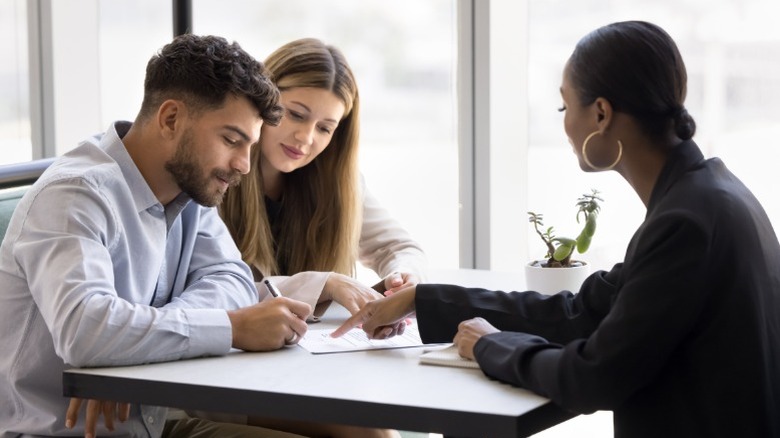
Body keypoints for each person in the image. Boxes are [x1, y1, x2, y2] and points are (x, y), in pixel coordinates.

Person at [334, 21, 780, 438]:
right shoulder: (708, 196)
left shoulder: (686, 222)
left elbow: (593, 376)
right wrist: (424, 300)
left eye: (566, 105)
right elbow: (582, 312)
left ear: (601, 114)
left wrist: (492, 347)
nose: (565, 123)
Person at [0, 33, 320, 437]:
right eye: (231, 140)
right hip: (62, 433)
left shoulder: (191, 190)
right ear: (170, 119)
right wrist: (233, 328)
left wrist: (128, 355)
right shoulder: (75, 194)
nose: (243, 165)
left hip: (149, 425)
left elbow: (233, 279)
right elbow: (86, 331)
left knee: (356, 427)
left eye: (250, 146)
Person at [219, 38, 427, 318]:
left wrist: (403, 279)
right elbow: (217, 291)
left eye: (325, 128)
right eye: (295, 114)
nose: (305, 138)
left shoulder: (339, 183)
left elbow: (398, 247)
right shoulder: (216, 175)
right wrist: (324, 284)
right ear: (261, 100)